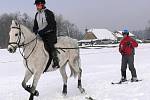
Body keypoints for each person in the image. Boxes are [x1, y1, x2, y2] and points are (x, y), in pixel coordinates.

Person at [33, 0, 59, 70]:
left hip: (50, 34)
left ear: (42, 4)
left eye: (38, 4)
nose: (36, 6)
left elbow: (51, 25)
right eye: (36, 5)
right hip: (41, 35)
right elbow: (35, 26)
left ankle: (55, 61)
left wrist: (42, 31)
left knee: (50, 45)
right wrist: (35, 32)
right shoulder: (37, 14)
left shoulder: (48, 13)